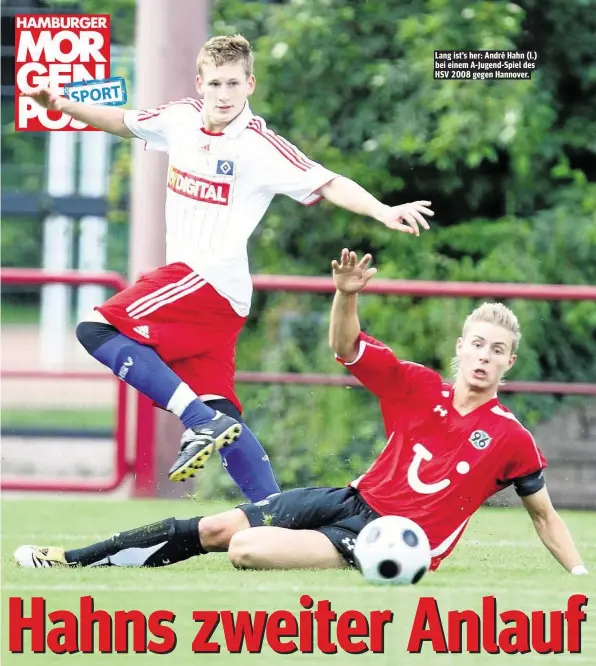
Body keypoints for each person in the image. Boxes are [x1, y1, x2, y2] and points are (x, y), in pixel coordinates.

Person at [25, 34, 433, 500]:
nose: (224, 94)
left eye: (234, 83)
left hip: (208, 279)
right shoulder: (178, 118)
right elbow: (123, 121)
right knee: (225, 412)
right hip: (215, 296)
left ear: (250, 85)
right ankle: (276, 515)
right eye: (216, 83)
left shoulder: (259, 146)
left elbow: (330, 180)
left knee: (95, 329)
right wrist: (62, 105)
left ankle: (198, 421)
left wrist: (382, 210)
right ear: (200, 83)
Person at [15, 249, 588, 576]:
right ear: (460, 348)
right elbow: (347, 349)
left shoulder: (510, 437)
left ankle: (352, 560)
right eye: (477, 344)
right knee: (217, 527)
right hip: (348, 499)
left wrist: (580, 578)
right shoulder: (417, 386)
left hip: (388, 540)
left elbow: (543, 516)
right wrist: (346, 294)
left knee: (244, 549)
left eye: (497, 350)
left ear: (509, 363)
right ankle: (74, 559)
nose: (484, 356)